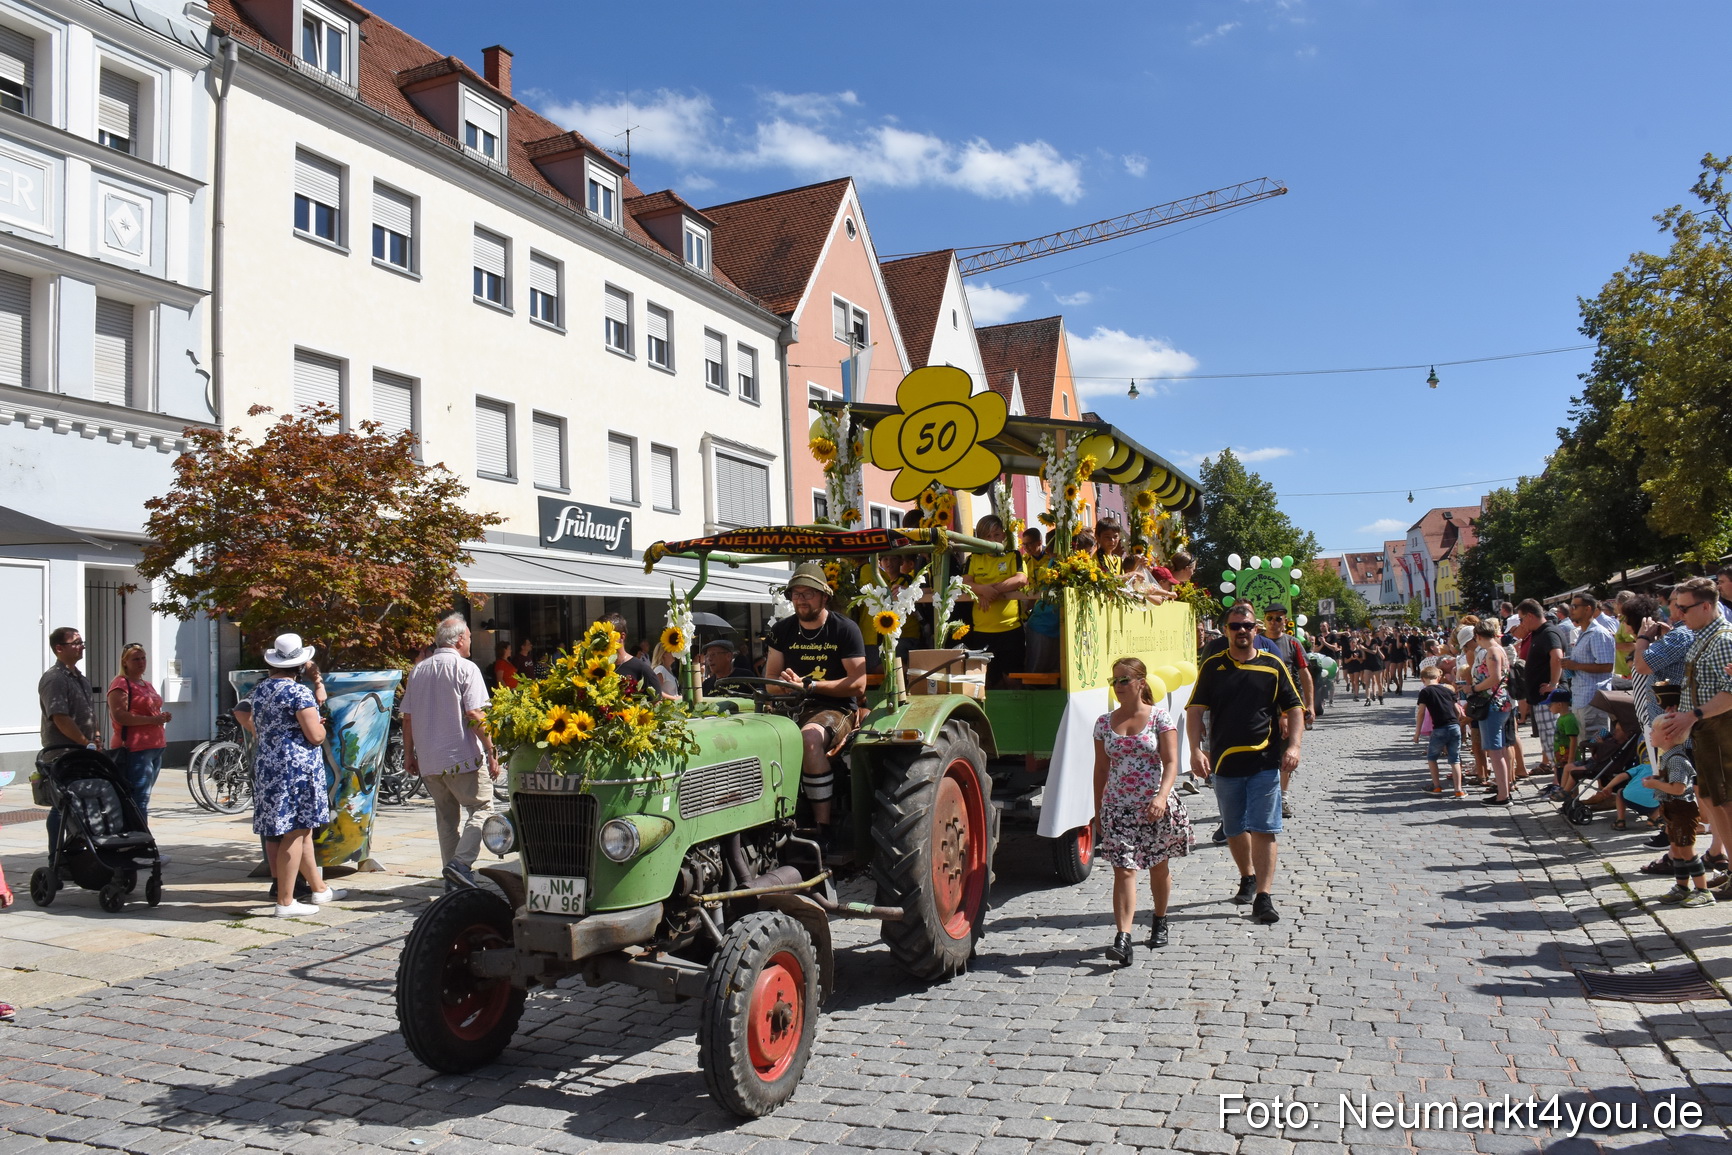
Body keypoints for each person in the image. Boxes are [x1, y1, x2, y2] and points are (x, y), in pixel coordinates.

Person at [1186, 602, 1303, 925]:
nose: (1241, 631)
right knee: (1235, 827)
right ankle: (1247, 875)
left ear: (1256, 630)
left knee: (1264, 828)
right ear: (1225, 631)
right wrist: (1195, 750)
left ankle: (1264, 897)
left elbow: (1294, 708)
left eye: (1247, 626)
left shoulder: (1272, 665)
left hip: (1265, 760)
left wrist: (1293, 745)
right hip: (1224, 761)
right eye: (1235, 626)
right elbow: (1195, 709)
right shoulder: (1213, 666)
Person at [1094, 657, 1191, 965]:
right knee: (1123, 870)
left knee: (1158, 867)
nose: (1118, 686)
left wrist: (1162, 797)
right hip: (1118, 808)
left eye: (1124, 680)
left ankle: (1160, 919)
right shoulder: (1103, 723)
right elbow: (1100, 769)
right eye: (1115, 681)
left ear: (1141, 682)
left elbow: (1172, 762)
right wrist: (1098, 809)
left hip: (1153, 808)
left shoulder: (1160, 718)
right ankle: (1123, 939)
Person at [764, 563, 867, 843]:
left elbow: (859, 684)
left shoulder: (845, 629)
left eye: (808, 592)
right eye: (796, 593)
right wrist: (785, 684)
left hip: (835, 708)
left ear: (825, 596)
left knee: (809, 739)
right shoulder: (782, 631)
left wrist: (810, 686)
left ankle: (822, 829)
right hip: (790, 705)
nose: (801, 599)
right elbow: (770, 680)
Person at [400, 614, 501, 891]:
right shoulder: (465, 668)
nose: (469, 641)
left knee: (446, 819)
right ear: (458, 640)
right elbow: (474, 713)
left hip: (430, 759)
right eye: (468, 636)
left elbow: (407, 717)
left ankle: (453, 880)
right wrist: (492, 749)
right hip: (461, 755)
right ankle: (460, 865)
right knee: (482, 808)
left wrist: (409, 754)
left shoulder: (418, 670)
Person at [249, 634, 344, 916]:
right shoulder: (298, 693)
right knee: (296, 831)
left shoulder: (261, 690)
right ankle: (286, 901)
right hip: (296, 768)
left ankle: (319, 889)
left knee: (301, 831)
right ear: (299, 665)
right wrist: (321, 726)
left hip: (269, 765)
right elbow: (315, 737)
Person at [1648, 577, 1732, 891]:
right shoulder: (1700, 636)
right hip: (1706, 731)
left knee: (1727, 803)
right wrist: (1679, 709)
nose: (1678, 613)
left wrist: (1692, 715)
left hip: (1721, 730)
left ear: (1706, 606)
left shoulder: (1723, 639)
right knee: (1715, 801)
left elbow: (1730, 692)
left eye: (1684, 607)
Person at [37, 626, 99, 854]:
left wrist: (96, 737)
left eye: (81, 642)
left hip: (84, 751)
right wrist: (85, 742)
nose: (81, 646)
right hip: (63, 753)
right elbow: (60, 717)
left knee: (76, 804)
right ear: (59, 648)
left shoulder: (80, 679)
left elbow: (89, 714)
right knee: (61, 806)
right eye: (76, 642)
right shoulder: (54, 679)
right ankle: (56, 857)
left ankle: (78, 853)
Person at [106, 643, 172, 818]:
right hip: (135, 749)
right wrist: (152, 720)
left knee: (143, 797)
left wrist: (162, 716)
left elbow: (150, 710)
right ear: (125, 662)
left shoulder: (146, 684)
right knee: (139, 799)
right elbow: (120, 716)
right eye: (136, 659)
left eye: (143, 658)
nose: (141, 662)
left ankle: (138, 836)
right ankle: (140, 838)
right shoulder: (120, 683)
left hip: (155, 747)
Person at [963, 515, 1027, 686]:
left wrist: (991, 591)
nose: (992, 540)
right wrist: (982, 590)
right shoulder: (973, 559)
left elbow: (1021, 579)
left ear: (1004, 535)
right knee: (988, 681)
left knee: (1013, 679)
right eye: (987, 536)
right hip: (982, 631)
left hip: (1011, 629)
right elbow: (965, 582)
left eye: (996, 535)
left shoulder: (1013, 556)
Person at [1517, 599, 1566, 776]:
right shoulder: (1539, 633)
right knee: (1547, 740)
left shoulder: (1549, 632)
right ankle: (1556, 778)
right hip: (1540, 698)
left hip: (1548, 699)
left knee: (1553, 739)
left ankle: (1561, 780)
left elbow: (1557, 656)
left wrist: (1553, 684)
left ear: (1530, 616)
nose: (1521, 623)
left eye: (1522, 619)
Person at [1470, 620, 1515, 805]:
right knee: (1500, 749)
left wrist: (1474, 688)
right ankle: (1503, 791)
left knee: (1495, 751)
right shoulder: (1499, 649)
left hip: (1493, 704)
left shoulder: (1492, 651)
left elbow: (1495, 678)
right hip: (1501, 702)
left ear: (1478, 636)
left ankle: (1503, 795)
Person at [1561, 593, 1616, 745]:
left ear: (1588, 609)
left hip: (1593, 699)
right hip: (1581, 698)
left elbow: (1607, 666)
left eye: (1575, 606)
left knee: (1596, 745)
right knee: (1584, 744)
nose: (1571, 610)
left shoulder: (1598, 633)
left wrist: (1575, 666)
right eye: (1571, 606)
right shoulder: (1583, 633)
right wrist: (1570, 665)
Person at [1414, 666, 1465, 797]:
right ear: (1439, 677)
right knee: (1455, 759)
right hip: (1454, 726)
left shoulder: (1425, 692)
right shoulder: (1447, 690)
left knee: (1432, 757)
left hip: (1439, 728)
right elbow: (1458, 711)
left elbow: (1421, 712)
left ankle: (1436, 786)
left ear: (1422, 679)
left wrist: (1417, 733)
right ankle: (1458, 789)